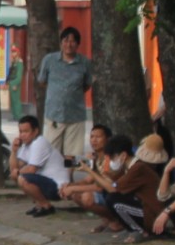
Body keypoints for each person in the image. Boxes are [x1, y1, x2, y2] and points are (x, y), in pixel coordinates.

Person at [36, 27, 93, 163]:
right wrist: (58, 92)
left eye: (73, 41)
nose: (69, 44)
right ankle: (54, 178)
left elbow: (87, 84)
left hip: (75, 115)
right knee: (52, 151)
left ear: (78, 44)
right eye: (66, 40)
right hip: (54, 114)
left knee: (71, 154)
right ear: (61, 43)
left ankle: (68, 180)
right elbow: (42, 81)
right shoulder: (49, 60)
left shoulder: (84, 63)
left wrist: (71, 93)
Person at [100, 133, 168, 240]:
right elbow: (113, 182)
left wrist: (89, 171)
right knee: (111, 196)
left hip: (152, 215)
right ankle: (130, 229)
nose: (112, 161)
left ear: (123, 155)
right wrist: (102, 172)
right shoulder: (129, 167)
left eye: (113, 157)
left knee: (113, 200)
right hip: (144, 207)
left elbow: (113, 188)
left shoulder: (138, 168)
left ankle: (138, 230)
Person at [10, 114, 70, 216]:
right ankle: (39, 205)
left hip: (58, 187)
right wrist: (14, 151)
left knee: (23, 178)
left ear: (35, 131)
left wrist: (17, 173)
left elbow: (32, 169)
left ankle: (46, 206)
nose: (22, 135)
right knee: (19, 176)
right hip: (47, 182)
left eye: (26, 131)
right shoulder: (26, 146)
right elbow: (15, 168)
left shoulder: (39, 143)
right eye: (20, 132)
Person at [58, 124, 114, 211]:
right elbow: (88, 180)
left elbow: (100, 187)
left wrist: (73, 188)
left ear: (108, 139)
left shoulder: (108, 159)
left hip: (113, 194)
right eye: (92, 137)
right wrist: (69, 186)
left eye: (98, 137)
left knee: (87, 197)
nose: (94, 140)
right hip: (105, 192)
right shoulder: (97, 158)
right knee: (75, 195)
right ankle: (108, 222)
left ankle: (115, 222)